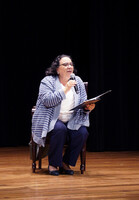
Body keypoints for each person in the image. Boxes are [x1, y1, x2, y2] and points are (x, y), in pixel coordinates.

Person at [32, 54, 95, 176]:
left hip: (72, 118)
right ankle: (53, 164)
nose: (69, 66)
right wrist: (66, 88)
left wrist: (88, 108)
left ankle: (65, 162)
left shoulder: (78, 81)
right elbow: (47, 101)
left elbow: (83, 101)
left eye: (71, 64)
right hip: (51, 118)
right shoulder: (47, 81)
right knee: (60, 130)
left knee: (82, 133)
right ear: (57, 68)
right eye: (65, 64)